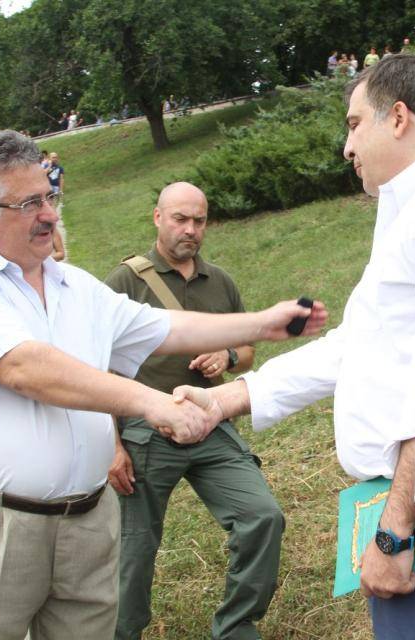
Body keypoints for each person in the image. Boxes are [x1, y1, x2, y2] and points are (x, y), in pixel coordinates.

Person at [174, 54, 415, 639]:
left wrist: (396, 529)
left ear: (398, 118)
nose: (346, 147)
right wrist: (228, 398)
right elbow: (359, 345)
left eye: (354, 125)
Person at [0, 130, 327, 640]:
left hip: (86, 524)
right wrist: (153, 403)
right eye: (29, 204)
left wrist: (263, 323)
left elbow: (165, 328)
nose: (49, 215)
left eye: (49, 197)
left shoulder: (75, 286)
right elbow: (24, 367)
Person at [104, 182, 284, 640]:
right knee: (134, 549)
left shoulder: (219, 281)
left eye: (199, 221)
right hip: (145, 431)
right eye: (180, 219)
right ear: (157, 217)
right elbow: (95, 369)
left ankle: (236, 627)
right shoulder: (124, 283)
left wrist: (226, 356)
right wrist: (112, 447)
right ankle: (123, 632)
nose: (190, 230)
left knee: (262, 516)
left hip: (209, 424)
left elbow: (247, 351)